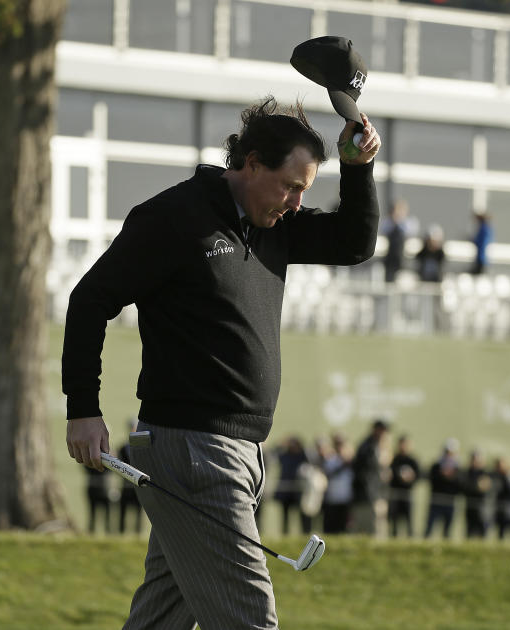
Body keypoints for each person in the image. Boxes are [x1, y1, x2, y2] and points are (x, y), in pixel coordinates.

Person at [62, 87, 382, 628]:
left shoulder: (274, 223)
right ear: (251, 165)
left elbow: (353, 243)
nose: (296, 203)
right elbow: (89, 300)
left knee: (161, 616)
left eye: (304, 191)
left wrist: (357, 170)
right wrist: (83, 407)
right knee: (249, 619)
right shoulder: (173, 217)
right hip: (194, 451)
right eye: (290, 187)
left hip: (237, 452)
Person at [351, 419, 389, 535]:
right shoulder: (368, 447)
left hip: (373, 495)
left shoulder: (375, 445)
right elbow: (366, 474)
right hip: (367, 497)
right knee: (369, 530)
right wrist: (374, 496)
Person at [273, 435, 310, 535]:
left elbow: (309, 461)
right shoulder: (285, 455)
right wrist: (282, 443)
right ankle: (285, 533)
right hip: (286, 491)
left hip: (298, 491)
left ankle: (304, 534)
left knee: (302, 515)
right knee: (285, 515)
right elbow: (275, 453)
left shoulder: (302, 456)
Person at [424, 438, 461, 540]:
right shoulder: (436, 466)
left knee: (447, 531)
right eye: (447, 452)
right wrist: (441, 475)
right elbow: (431, 480)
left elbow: (460, 486)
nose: (449, 455)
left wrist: (451, 477)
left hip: (450, 502)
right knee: (429, 529)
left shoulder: (458, 469)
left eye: (451, 453)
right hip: (435, 501)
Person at [322, 433, 354, 534]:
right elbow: (328, 474)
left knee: (344, 528)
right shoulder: (330, 460)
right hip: (332, 499)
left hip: (345, 499)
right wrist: (343, 465)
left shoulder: (350, 461)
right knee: (331, 528)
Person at [388, 435, 420, 537]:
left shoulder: (413, 460)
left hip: (407, 495)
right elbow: (390, 475)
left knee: (409, 521)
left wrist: (410, 478)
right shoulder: (394, 459)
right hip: (395, 495)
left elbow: (418, 476)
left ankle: (410, 541)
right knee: (394, 521)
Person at [117, 420, 143, 535]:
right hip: (126, 486)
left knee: (138, 514)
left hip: (139, 486)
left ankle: (138, 534)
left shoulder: (142, 448)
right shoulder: (122, 448)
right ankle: (121, 534)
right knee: (123, 513)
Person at [382, 199, 416, 284]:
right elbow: (384, 228)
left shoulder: (409, 223)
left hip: (403, 262)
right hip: (390, 261)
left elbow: (410, 230)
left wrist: (399, 221)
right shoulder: (388, 223)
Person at [462, 449, 491, 539]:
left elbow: (487, 488)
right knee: (469, 531)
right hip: (470, 506)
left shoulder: (486, 472)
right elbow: (465, 487)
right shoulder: (467, 472)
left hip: (482, 507)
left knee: (482, 531)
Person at [491, 456, 510, 540]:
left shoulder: (508, 476)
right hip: (495, 506)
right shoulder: (493, 475)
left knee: (503, 529)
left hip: (505, 508)